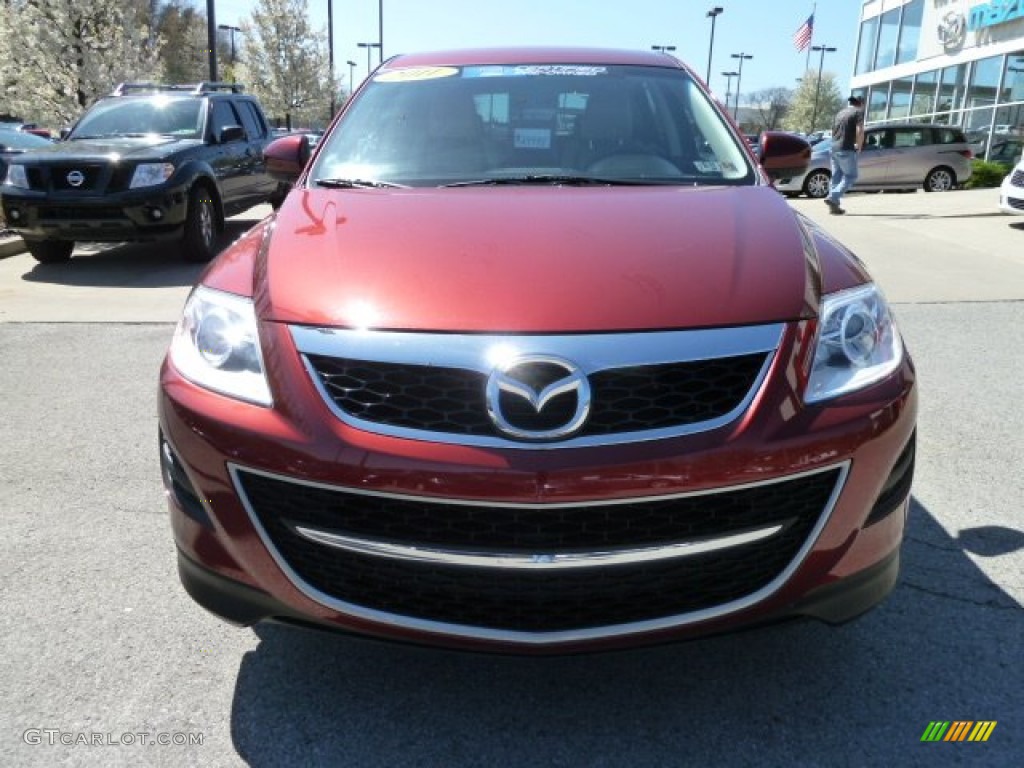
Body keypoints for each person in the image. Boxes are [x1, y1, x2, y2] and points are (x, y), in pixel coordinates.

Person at [824, 95, 865, 215]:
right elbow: (860, 130)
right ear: (861, 103)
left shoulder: (840, 113)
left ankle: (834, 207)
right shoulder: (858, 112)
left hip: (833, 148)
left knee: (836, 176)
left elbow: (833, 131)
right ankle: (833, 196)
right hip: (846, 148)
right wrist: (859, 145)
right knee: (851, 176)